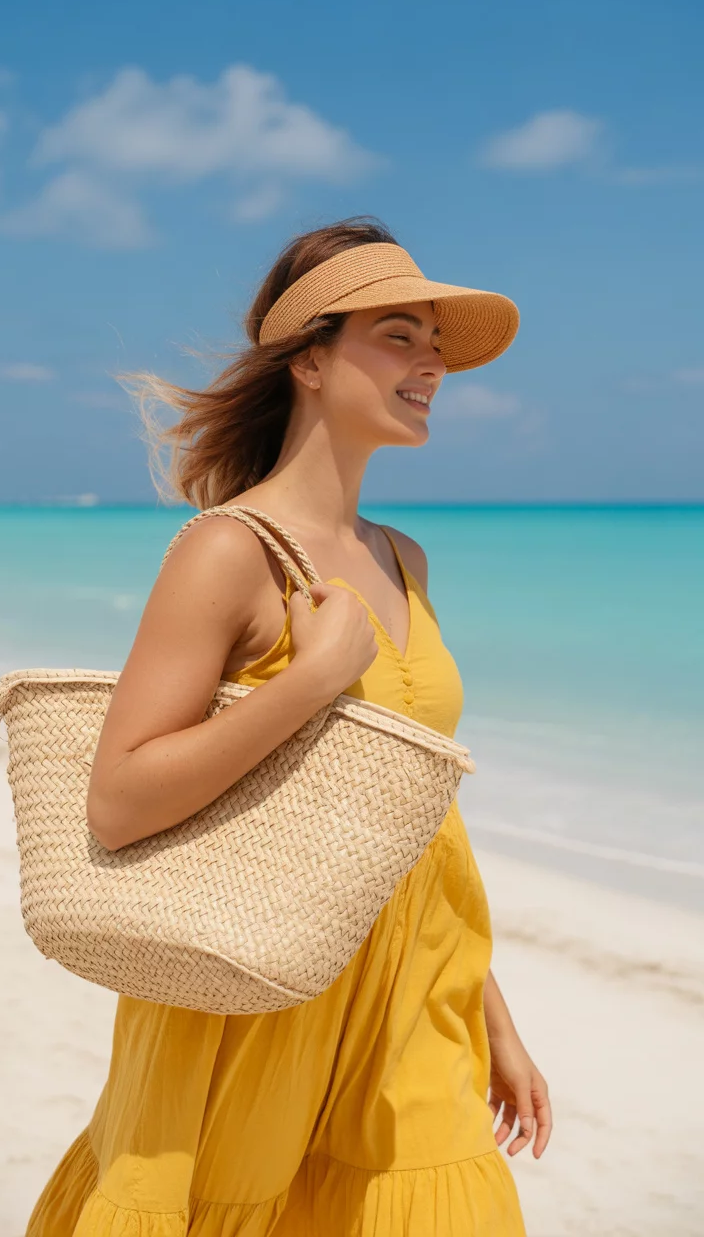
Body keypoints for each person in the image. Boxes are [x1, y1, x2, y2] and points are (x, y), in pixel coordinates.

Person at [28, 218, 551, 1236]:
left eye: (435, 342)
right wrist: (305, 684)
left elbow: (414, 816)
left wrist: (496, 1020)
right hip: (249, 995)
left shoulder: (402, 558)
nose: (432, 361)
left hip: (414, 998)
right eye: (400, 335)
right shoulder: (226, 551)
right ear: (309, 360)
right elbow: (120, 798)